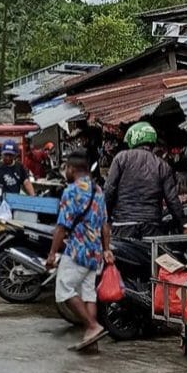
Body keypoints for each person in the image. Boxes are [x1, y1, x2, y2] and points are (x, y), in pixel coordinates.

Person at [46, 151, 113, 353]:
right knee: (88, 293)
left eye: (66, 167)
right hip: (95, 252)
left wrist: (51, 254)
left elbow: (61, 227)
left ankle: (92, 326)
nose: (65, 171)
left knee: (63, 289)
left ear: (73, 169)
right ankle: (91, 339)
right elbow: (105, 225)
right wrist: (106, 249)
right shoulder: (98, 190)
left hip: (77, 250)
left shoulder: (71, 192)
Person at [104, 122, 184, 240]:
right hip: (152, 227)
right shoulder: (162, 165)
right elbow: (172, 201)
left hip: (123, 226)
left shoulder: (121, 158)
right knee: (152, 257)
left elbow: (109, 191)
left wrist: (105, 219)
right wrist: (183, 225)